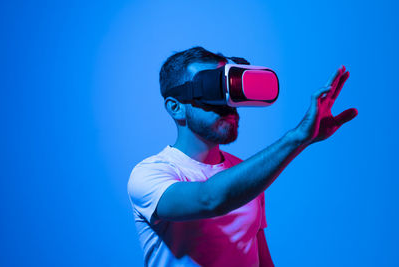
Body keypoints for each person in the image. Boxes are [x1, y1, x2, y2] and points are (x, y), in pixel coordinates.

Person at [127, 46, 358, 267]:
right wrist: (298, 138)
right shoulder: (150, 174)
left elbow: (260, 257)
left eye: (229, 89)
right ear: (176, 107)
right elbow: (209, 199)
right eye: (212, 90)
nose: (228, 105)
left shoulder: (245, 171)